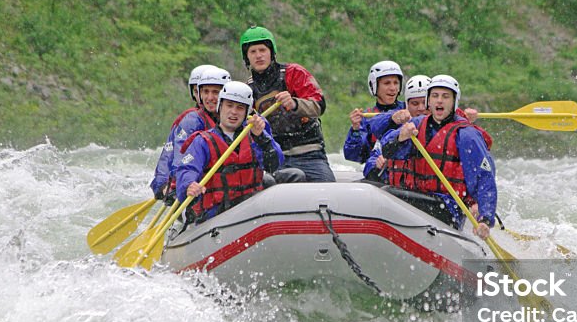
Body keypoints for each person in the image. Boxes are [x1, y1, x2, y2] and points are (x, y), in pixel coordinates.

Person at [381, 75, 497, 238]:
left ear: (454, 101)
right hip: (416, 199)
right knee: (385, 192)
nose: (439, 101)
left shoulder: (467, 135)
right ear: (429, 100)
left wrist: (485, 218)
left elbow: (485, 178)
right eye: (435, 96)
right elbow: (387, 150)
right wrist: (400, 137)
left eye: (445, 96)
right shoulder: (417, 124)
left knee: (388, 194)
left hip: (447, 207)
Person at [174, 81, 284, 222]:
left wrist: (262, 139)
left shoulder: (256, 135)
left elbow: (274, 164)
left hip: (252, 208)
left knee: (294, 175)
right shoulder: (202, 141)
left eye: (239, 108)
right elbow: (187, 169)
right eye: (229, 106)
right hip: (216, 213)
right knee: (249, 199)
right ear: (220, 107)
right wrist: (189, 184)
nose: (233, 112)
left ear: (246, 112)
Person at [240, 25, 334, 182]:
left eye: (262, 50)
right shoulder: (247, 89)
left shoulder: (294, 73)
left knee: (328, 192)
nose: (259, 56)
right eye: (253, 52)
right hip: (277, 158)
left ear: (271, 52)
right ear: (247, 57)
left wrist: (295, 103)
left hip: (310, 154)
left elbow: (319, 105)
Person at [150, 64, 228, 201]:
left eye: (215, 92)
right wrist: (175, 186)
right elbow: (179, 158)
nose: (208, 97)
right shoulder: (191, 120)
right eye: (203, 91)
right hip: (186, 182)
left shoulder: (232, 117)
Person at [364, 74, 430, 181]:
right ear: (407, 105)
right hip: (402, 191)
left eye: (425, 103)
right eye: (415, 103)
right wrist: (376, 165)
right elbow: (369, 166)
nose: (421, 108)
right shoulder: (394, 130)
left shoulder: (447, 130)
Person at [344, 60, 409, 164]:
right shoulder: (366, 117)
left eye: (396, 83)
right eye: (387, 83)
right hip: (377, 171)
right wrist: (355, 130)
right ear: (374, 85)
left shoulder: (409, 110)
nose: (393, 88)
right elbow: (354, 156)